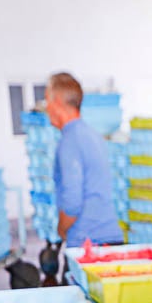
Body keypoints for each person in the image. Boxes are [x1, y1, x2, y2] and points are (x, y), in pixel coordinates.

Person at [46, 72, 122, 247]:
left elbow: (72, 202)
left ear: (57, 102)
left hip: (88, 243)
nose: (46, 108)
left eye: (47, 100)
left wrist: (61, 230)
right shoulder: (94, 135)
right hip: (110, 236)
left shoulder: (69, 141)